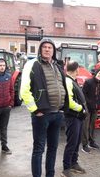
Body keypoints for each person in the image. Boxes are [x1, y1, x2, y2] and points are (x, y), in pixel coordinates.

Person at [20, 38, 68, 177]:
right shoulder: (32, 64)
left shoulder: (58, 66)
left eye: (50, 47)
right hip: (42, 114)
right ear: (40, 49)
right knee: (39, 149)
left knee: (53, 148)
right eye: (44, 47)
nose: (47, 49)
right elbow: (24, 90)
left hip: (57, 114)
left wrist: (64, 109)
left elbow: (64, 87)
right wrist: (35, 110)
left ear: (53, 51)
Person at [62, 61, 88, 177]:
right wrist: (81, 109)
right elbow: (70, 102)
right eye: (78, 69)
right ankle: (66, 168)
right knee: (71, 143)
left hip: (78, 117)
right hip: (73, 117)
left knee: (76, 141)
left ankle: (74, 163)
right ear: (76, 69)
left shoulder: (72, 80)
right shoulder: (68, 81)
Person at [81, 69, 100, 153]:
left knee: (92, 125)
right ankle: (84, 145)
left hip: (95, 108)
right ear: (96, 73)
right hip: (88, 107)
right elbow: (83, 94)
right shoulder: (88, 82)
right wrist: (89, 103)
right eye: (99, 73)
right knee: (85, 126)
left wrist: (99, 103)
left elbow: (99, 95)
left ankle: (92, 142)